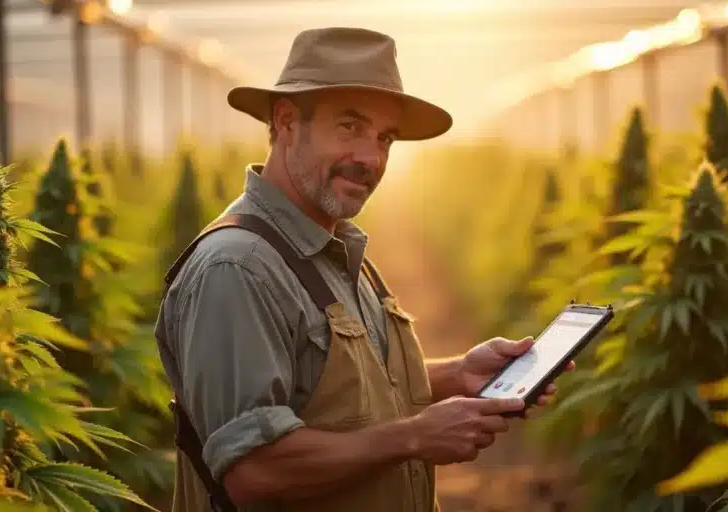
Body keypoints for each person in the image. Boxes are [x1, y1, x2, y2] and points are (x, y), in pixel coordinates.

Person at [153, 27, 575, 512]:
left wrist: (456, 374)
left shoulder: (333, 248)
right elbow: (254, 470)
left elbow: (331, 391)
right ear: (287, 122)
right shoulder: (238, 269)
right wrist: (413, 436)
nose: (370, 158)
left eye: (385, 138)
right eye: (349, 128)